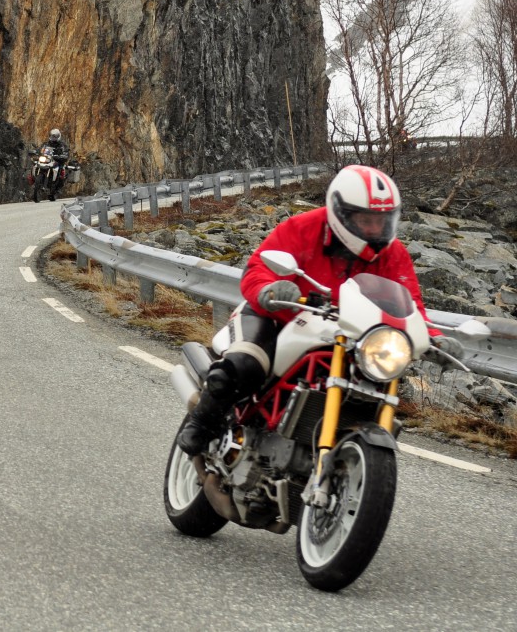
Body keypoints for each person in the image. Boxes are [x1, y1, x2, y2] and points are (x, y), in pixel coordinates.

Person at [176, 164, 466, 455]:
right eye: (366, 220)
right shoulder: (302, 228)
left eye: (383, 221)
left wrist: (433, 338)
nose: (375, 229)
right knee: (245, 366)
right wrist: (270, 289)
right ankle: (201, 424)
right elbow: (258, 268)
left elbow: (410, 304)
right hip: (278, 316)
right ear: (340, 212)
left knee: (374, 389)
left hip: (349, 334)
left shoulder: (394, 254)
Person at [42, 128, 71, 201]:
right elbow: (41, 149)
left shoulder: (62, 145)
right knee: (38, 164)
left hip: (58, 161)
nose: (53, 138)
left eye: (55, 136)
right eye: (52, 136)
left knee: (60, 172)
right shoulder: (47, 143)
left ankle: (57, 188)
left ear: (59, 136)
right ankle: (39, 181)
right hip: (48, 160)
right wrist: (36, 151)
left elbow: (66, 151)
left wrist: (64, 155)